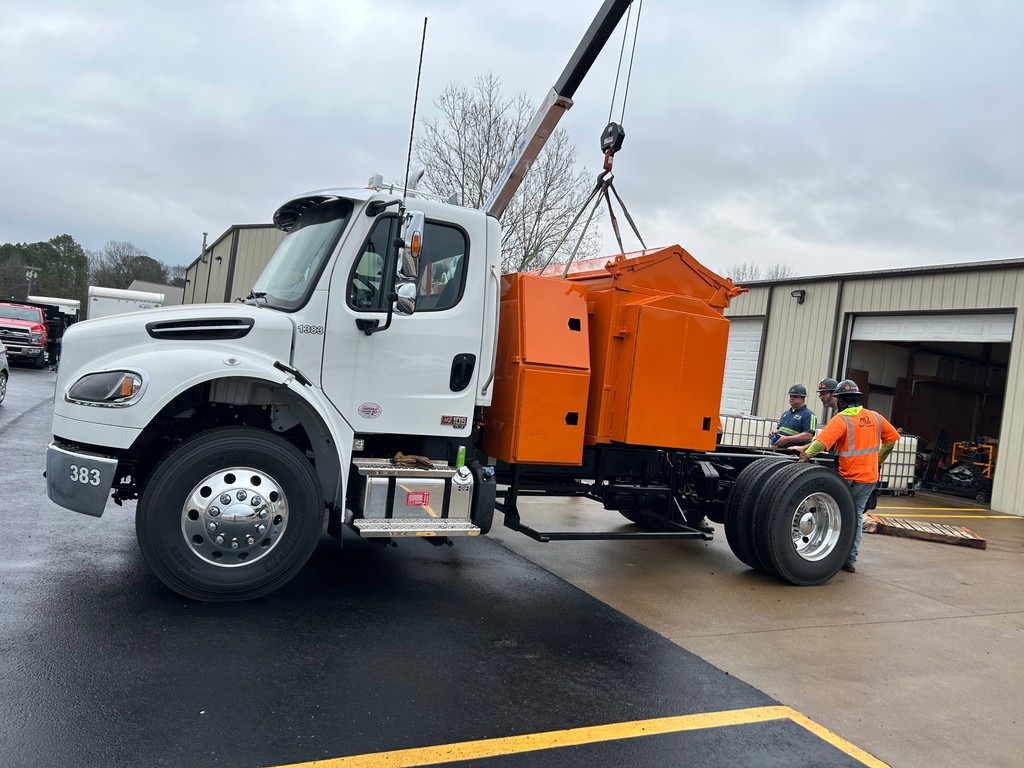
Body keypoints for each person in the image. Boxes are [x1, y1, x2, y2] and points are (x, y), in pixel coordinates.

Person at [797, 379, 900, 573]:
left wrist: (805, 456)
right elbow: (892, 439)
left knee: (838, 517)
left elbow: (820, 444)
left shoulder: (841, 419)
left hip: (849, 477)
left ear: (842, 401)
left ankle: (832, 555)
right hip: (870, 477)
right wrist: (878, 460)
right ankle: (850, 560)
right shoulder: (875, 417)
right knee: (857, 517)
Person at [770, 384, 817, 449]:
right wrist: (774, 434)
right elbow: (779, 430)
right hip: (780, 450)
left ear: (803, 398)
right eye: (791, 396)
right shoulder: (786, 414)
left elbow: (808, 435)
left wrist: (787, 439)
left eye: (795, 396)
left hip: (795, 452)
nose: (792, 398)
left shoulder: (809, 415)